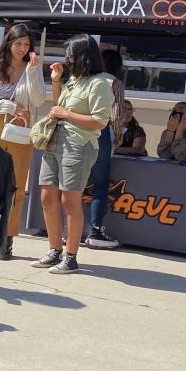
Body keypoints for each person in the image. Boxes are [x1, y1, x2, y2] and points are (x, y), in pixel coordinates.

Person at [32, 35, 112, 275]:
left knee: (70, 200)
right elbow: (59, 107)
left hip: (78, 144)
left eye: (71, 54)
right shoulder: (75, 80)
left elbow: (100, 121)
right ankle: (54, 250)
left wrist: (66, 114)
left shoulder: (98, 83)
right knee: (47, 195)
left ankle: (71, 255)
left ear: (84, 56)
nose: (68, 58)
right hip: (56, 140)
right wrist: (56, 82)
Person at [0, 24, 47, 259]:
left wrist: (33, 72)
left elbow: (39, 99)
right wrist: (9, 106)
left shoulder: (31, 69)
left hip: (21, 133)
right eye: (18, 43)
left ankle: (8, 238)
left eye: (26, 44)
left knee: (16, 187)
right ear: (8, 43)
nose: (22, 48)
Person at [83, 48, 129, 251]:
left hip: (79, 131)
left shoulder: (87, 78)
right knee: (101, 184)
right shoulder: (114, 83)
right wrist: (118, 136)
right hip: (101, 133)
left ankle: (69, 231)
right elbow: (117, 113)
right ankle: (95, 231)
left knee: (75, 184)